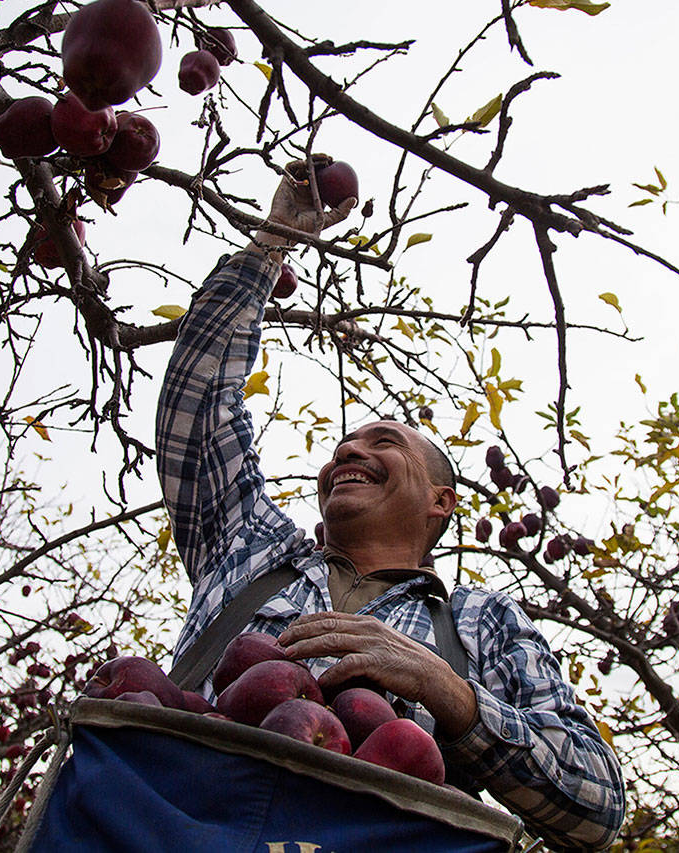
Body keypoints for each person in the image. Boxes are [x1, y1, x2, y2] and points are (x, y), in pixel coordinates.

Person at [154, 158, 626, 850]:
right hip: (171, 824)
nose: (346, 452)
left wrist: (453, 696)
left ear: (442, 500)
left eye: (382, 442)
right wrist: (272, 241)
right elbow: (197, 404)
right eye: (340, 446)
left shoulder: (479, 623)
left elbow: (598, 805)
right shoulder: (253, 546)